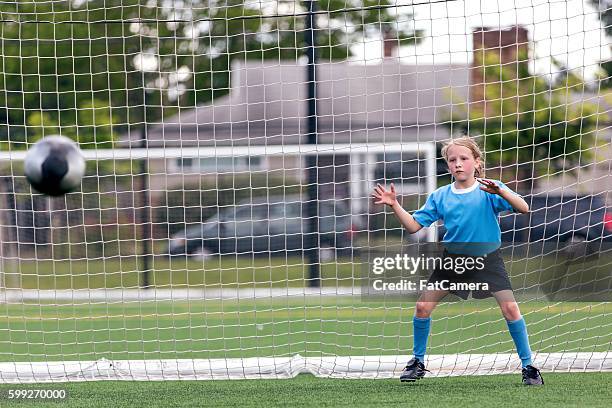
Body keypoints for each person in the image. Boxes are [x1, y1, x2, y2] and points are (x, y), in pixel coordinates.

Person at [371, 136, 544, 385]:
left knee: (510, 309)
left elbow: (524, 208)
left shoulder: (489, 188)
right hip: (453, 262)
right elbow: (413, 226)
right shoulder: (440, 196)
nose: (458, 164)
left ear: (476, 162)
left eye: (464, 158)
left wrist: (502, 190)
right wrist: (395, 205)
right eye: (453, 160)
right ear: (448, 165)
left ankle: (529, 366)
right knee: (422, 307)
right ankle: (417, 362)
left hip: (488, 260)